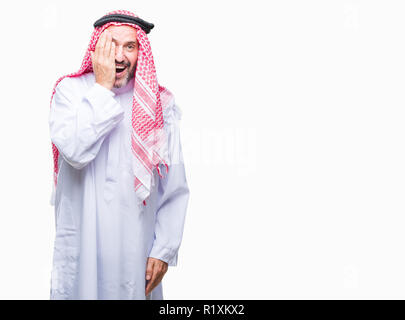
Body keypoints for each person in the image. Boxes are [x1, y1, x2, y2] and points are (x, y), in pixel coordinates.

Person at [48, 10, 190, 300]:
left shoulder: (157, 105)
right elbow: (75, 151)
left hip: (134, 248)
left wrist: (164, 249)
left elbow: (173, 186)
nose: (120, 56)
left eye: (130, 46)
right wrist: (102, 87)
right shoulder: (70, 93)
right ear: (97, 48)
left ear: (141, 52)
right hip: (81, 244)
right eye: (112, 45)